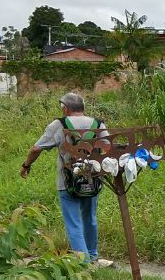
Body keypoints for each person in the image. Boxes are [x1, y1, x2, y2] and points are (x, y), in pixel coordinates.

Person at [21, 91, 107, 262]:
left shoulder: (59, 124)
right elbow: (108, 146)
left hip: (68, 182)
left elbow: (36, 149)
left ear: (66, 109)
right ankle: (93, 256)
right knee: (90, 218)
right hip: (92, 179)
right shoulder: (98, 124)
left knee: (73, 223)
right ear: (82, 108)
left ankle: (84, 263)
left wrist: (26, 165)